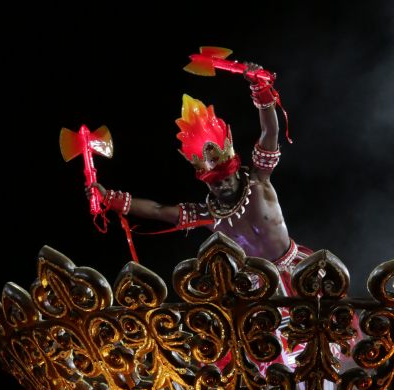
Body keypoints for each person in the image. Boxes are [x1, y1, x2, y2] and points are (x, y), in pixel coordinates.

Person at [88, 64, 310, 294]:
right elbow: (158, 210)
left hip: (296, 268)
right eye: (215, 182)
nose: (222, 185)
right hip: (260, 287)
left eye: (226, 178)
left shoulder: (259, 181)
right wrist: (111, 198)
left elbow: (269, 133)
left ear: (235, 171)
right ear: (205, 183)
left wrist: (260, 89)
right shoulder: (209, 216)